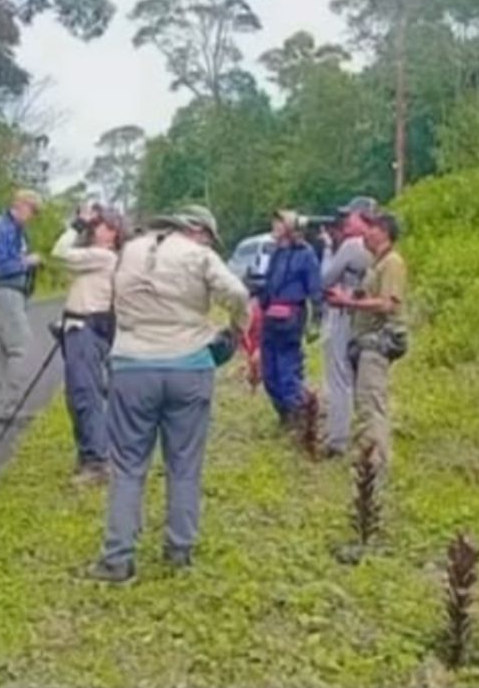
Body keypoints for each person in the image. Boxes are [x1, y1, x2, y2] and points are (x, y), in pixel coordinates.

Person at [89, 204, 249, 583]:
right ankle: (179, 548)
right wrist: (237, 327)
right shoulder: (199, 255)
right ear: (195, 229)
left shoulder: (127, 251)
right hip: (189, 367)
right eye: (208, 234)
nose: (209, 241)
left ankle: (117, 558)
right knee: (184, 464)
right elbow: (237, 293)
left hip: (132, 366)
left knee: (128, 467)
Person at [327, 211, 407, 475]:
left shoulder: (392, 263)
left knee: (371, 404)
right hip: (366, 341)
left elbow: (388, 303)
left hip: (378, 342)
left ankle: (375, 464)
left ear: (383, 232)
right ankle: (367, 458)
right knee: (365, 403)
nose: (365, 234)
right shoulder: (376, 264)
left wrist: (348, 302)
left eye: (371, 228)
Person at [52, 203, 126, 485]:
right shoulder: (102, 257)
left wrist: (77, 224)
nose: (97, 228)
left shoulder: (103, 256)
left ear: (115, 233)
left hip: (86, 328)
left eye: (105, 225)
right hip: (80, 327)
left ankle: (97, 461)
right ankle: (88, 455)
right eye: (98, 224)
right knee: (78, 395)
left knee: (85, 394)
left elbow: (59, 253)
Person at [0, 189, 43, 423]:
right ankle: (10, 405)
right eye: (32, 210)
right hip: (3, 290)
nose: (33, 216)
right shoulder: (0, 228)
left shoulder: (15, 230)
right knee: (20, 347)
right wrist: (26, 262)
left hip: (7, 292)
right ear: (20, 205)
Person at [320, 196, 376, 457]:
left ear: (363, 217)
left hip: (344, 314)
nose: (345, 222)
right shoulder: (379, 246)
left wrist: (329, 248)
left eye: (350, 216)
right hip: (367, 318)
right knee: (359, 379)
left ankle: (337, 439)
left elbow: (326, 278)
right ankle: (364, 435)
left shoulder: (352, 245)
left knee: (338, 376)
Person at [258, 210, 323, 431]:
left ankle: (300, 418)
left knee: (288, 371)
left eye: (279, 222)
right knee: (269, 373)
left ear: (290, 227)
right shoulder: (276, 252)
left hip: (291, 316)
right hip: (270, 316)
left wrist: (316, 320)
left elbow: (315, 289)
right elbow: (269, 284)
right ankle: (285, 416)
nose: (274, 225)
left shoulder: (306, 254)